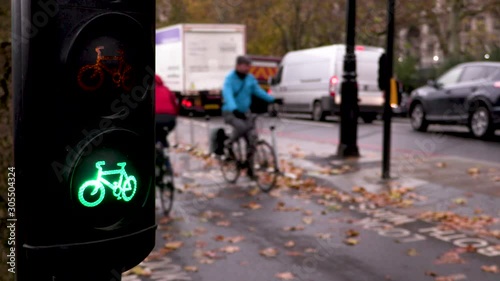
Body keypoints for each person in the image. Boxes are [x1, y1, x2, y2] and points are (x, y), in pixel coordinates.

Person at [221, 55, 277, 178]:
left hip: (245, 112)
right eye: (245, 66)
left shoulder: (250, 79)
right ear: (238, 66)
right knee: (241, 127)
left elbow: (258, 91)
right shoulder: (230, 79)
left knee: (252, 139)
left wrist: (273, 100)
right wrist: (234, 108)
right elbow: (228, 94)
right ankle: (229, 143)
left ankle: (250, 169)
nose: (248, 68)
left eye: (249, 66)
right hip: (231, 112)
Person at [155, 74, 178, 148]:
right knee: (162, 135)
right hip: (170, 120)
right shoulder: (166, 89)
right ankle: (164, 146)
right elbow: (175, 104)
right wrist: (175, 115)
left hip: (156, 119)